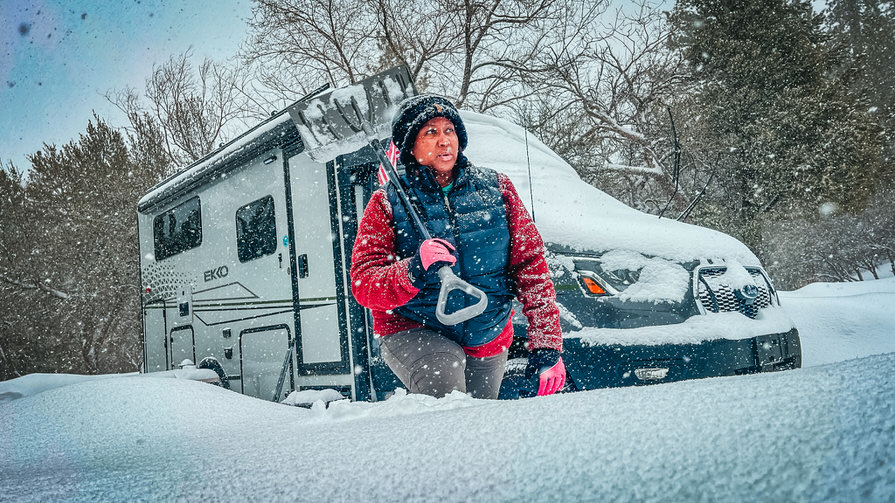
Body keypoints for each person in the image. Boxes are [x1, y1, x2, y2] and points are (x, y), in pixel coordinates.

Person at [350, 94, 565, 399]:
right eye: (430, 133)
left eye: (449, 131)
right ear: (411, 146)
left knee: (480, 422)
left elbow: (532, 268)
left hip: (487, 333)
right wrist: (413, 269)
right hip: (415, 329)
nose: (443, 141)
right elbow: (364, 283)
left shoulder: (498, 190)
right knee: (446, 382)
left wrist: (547, 344)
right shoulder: (387, 202)